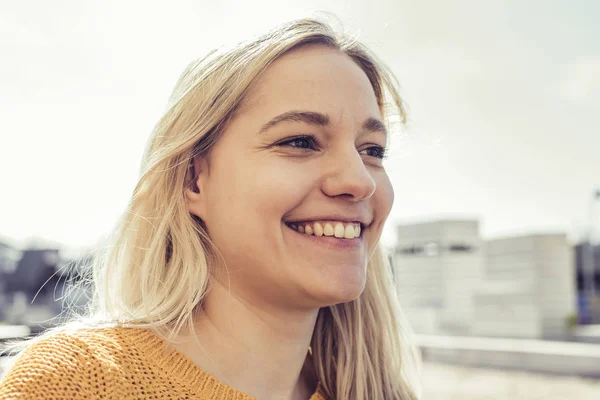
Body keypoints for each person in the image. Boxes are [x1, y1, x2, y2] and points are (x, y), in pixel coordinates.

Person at [0, 17, 420, 400]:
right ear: (193, 180)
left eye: (372, 150)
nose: (359, 181)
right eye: (300, 141)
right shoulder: (75, 385)